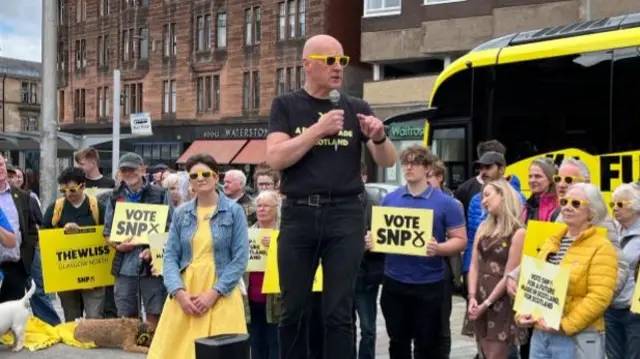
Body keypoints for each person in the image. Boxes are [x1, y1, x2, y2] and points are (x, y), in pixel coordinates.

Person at [266, 34, 396, 359]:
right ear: (307, 65)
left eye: (342, 61)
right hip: (299, 215)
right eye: (330, 60)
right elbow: (276, 158)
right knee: (293, 309)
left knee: (339, 311)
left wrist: (379, 137)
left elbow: (387, 160)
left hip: (346, 215)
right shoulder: (286, 105)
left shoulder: (356, 107)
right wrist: (317, 130)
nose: (338, 67)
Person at [149, 154, 248, 359]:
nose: (200, 178)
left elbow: (240, 259)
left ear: (216, 177)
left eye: (205, 174)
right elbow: (170, 257)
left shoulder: (234, 211)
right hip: (186, 291)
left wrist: (214, 293)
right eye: (194, 175)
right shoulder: (181, 213)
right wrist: (179, 293)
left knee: (222, 352)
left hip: (223, 291)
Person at [379, 146, 466, 359]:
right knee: (397, 342)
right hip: (395, 282)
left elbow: (461, 240)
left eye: (415, 163)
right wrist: (371, 240)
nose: (409, 167)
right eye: (405, 163)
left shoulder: (446, 203)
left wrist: (439, 248)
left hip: (429, 284)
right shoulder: (390, 199)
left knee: (427, 345)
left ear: (427, 168)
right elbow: (381, 235)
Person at [516, 183, 617, 359]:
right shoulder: (551, 241)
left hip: (576, 336)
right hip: (541, 336)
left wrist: (565, 325)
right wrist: (522, 314)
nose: (568, 207)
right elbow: (535, 284)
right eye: (564, 202)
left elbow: (600, 296)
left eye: (576, 203)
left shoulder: (602, 247)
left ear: (592, 211)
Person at [103, 153, 172, 329]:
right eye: (124, 170)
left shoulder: (161, 194)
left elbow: (171, 228)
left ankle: (152, 349)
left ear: (142, 169)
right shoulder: (114, 197)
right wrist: (118, 246)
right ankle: (132, 349)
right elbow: (107, 233)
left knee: (154, 310)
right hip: (124, 265)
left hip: (153, 265)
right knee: (126, 314)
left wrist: (154, 250)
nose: (128, 173)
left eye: (132, 169)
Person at [461, 179, 527, 359]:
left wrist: (487, 303)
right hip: (479, 296)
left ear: (503, 195)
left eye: (487, 195)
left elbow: (509, 275)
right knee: (483, 353)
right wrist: (472, 296)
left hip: (501, 300)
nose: (483, 201)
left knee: (495, 355)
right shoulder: (483, 226)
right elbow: (474, 264)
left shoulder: (518, 232)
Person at [41, 167, 106, 321]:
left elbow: (108, 233)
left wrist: (82, 232)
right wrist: (62, 233)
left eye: (72, 190)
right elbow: (44, 235)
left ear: (83, 186)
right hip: (66, 273)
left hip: (93, 273)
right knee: (71, 319)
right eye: (63, 191)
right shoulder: (56, 208)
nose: (68, 194)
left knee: (94, 318)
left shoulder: (96, 207)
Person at [245, 190, 282, 359]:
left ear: (277, 208)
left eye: (266, 206)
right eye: (259, 206)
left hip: (276, 298)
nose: (261, 209)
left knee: (276, 342)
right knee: (256, 342)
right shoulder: (248, 233)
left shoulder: (285, 232)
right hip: (252, 295)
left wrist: (277, 244)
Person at [605, 183, 640, 359]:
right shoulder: (610, 231)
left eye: (620, 204)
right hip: (610, 307)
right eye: (612, 205)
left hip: (634, 310)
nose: (615, 209)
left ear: (635, 206)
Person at [353, 162, 383, 359]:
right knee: (344, 326)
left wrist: (372, 243)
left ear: (364, 178)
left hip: (365, 275)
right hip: (342, 275)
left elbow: (384, 241)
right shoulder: (339, 201)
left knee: (367, 327)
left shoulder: (372, 203)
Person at [0, 154, 39, 304]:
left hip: (15, 266)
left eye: (2, 164)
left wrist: (26, 259)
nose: (1, 169)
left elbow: (31, 228)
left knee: (10, 322)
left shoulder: (22, 196)